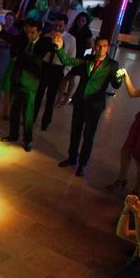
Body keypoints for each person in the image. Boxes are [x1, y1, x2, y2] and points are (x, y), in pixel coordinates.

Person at [53, 34, 123, 177]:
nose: (101, 48)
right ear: (94, 47)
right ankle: (72, 158)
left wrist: (119, 77)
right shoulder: (87, 59)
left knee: (88, 136)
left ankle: (83, 164)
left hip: (94, 106)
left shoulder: (112, 64)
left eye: (104, 46)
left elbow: (116, 85)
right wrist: (59, 48)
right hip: (80, 102)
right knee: (75, 132)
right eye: (99, 45)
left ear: (108, 48)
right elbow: (67, 60)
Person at [0, 20, 55, 152]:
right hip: (17, 80)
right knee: (14, 109)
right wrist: (0, 29)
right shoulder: (22, 38)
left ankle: (27, 140)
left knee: (28, 113)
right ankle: (13, 135)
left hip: (31, 84)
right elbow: (10, 38)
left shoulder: (44, 43)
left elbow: (54, 48)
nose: (29, 35)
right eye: (28, 32)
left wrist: (57, 42)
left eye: (33, 32)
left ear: (39, 33)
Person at [107, 69, 140, 194]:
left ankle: (137, 190)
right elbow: (133, 93)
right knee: (126, 150)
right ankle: (121, 179)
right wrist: (126, 76)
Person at [33, 15, 75, 131]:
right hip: (45, 66)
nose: (57, 28)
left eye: (60, 26)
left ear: (65, 25)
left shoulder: (71, 39)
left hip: (57, 69)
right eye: (55, 25)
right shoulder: (48, 35)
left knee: (51, 97)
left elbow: (71, 57)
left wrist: (64, 73)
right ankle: (32, 118)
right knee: (39, 93)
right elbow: (40, 52)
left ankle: (46, 122)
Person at [58, 12, 94, 106]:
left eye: (83, 21)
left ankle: (66, 99)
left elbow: (90, 45)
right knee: (65, 77)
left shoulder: (87, 32)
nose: (80, 22)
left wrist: (87, 57)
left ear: (86, 22)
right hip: (70, 55)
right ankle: (59, 98)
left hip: (79, 57)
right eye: (79, 20)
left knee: (71, 77)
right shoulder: (72, 29)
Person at [0, 11, 17, 96]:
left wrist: (2, 41)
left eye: (10, 19)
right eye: (7, 19)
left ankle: (0, 91)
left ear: (13, 21)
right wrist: (4, 41)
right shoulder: (0, 28)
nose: (8, 21)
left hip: (7, 53)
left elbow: (12, 43)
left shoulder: (14, 31)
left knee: (4, 72)